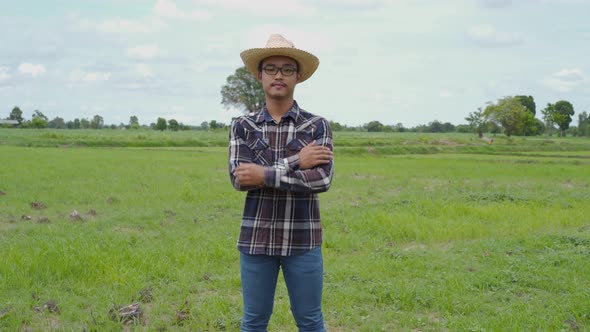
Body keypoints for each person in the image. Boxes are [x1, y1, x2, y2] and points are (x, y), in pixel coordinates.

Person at [228, 34, 334, 332]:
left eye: (287, 69)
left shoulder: (316, 125)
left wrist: (263, 175)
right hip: (255, 240)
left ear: (298, 76)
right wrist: (295, 161)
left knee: (310, 320)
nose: (278, 75)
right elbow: (239, 178)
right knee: (253, 321)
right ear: (259, 75)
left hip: (303, 240)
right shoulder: (243, 125)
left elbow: (322, 179)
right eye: (271, 68)